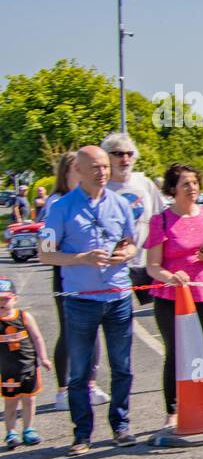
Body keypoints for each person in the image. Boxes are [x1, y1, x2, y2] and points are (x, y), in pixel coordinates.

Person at [37, 146, 137, 455]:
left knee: (122, 367)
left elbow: (132, 244)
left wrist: (125, 254)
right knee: (80, 371)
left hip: (118, 295)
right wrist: (81, 258)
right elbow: (45, 253)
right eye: (95, 167)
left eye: (105, 166)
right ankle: (82, 433)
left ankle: (120, 425)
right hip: (81, 299)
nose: (102, 172)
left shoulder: (120, 204)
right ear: (78, 171)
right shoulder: (61, 207)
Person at [144, 163, 203, 430]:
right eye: (185, 184)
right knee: (176, 352)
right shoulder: (162, 220)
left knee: (200, 352)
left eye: (195, 182)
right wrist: (171, 277)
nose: (192, 188)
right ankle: (173, 410)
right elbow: (152, 266)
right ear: (173, 190)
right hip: (172, 296)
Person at [43, 152, 109, 411]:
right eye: (77, 170)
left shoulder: (95, 201)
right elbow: (47, 248)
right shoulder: (57, 203)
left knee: (93, 333)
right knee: (69, 332)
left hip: (94, 278)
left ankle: (90, 384)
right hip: (65, 276)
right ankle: (63, 389)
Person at [101, 132, 166, 305]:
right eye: (118, 154)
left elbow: (160, 218)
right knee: (120, 315)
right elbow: (48, 244)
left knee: (153, 313)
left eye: (129, 154)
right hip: (114, 265)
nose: (125, 159)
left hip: (147, 261)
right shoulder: (99, 187)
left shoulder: (143, 183)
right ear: (106, 157)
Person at [0, 278, 51, 450]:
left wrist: (43, 358)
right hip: (7, 371)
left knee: (29, 400)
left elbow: (37, 338)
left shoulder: (24, 317)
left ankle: (29, 429)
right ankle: (11, 433)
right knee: (10, 402)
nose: (2, 303)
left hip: (28, 367)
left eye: (5, 299)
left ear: (14, 298)